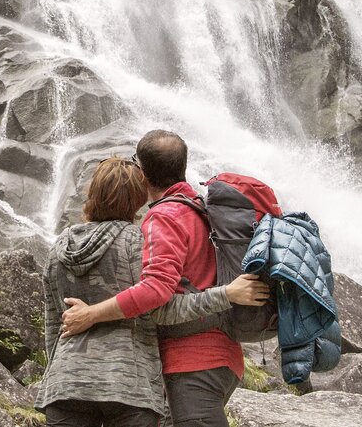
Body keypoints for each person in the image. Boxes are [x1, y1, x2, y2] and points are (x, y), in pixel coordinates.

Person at [40, 156, 270, 427]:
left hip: (65, 380)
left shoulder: (58, 249)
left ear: (91, 193)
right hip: (129, 385)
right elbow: (162, 306)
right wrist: (225, 295)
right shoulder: (139, 242)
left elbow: (53, 324)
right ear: (138, 199)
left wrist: (55, 372)